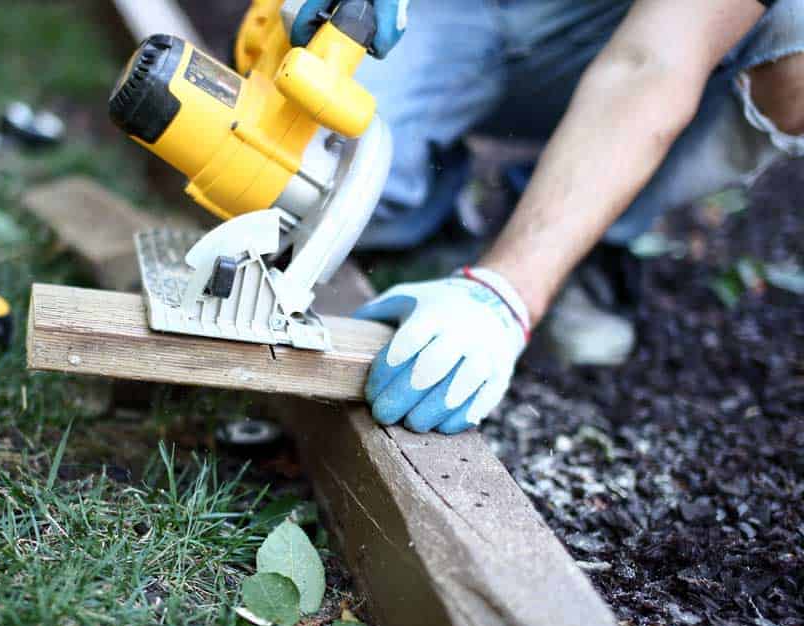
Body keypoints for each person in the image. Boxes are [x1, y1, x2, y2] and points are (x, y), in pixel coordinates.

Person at [291, 0, 804, 435]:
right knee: (304, 178)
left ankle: (577, 228)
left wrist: (505, 293)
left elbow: (656, 59)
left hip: (601, 29)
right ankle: (427, 213)